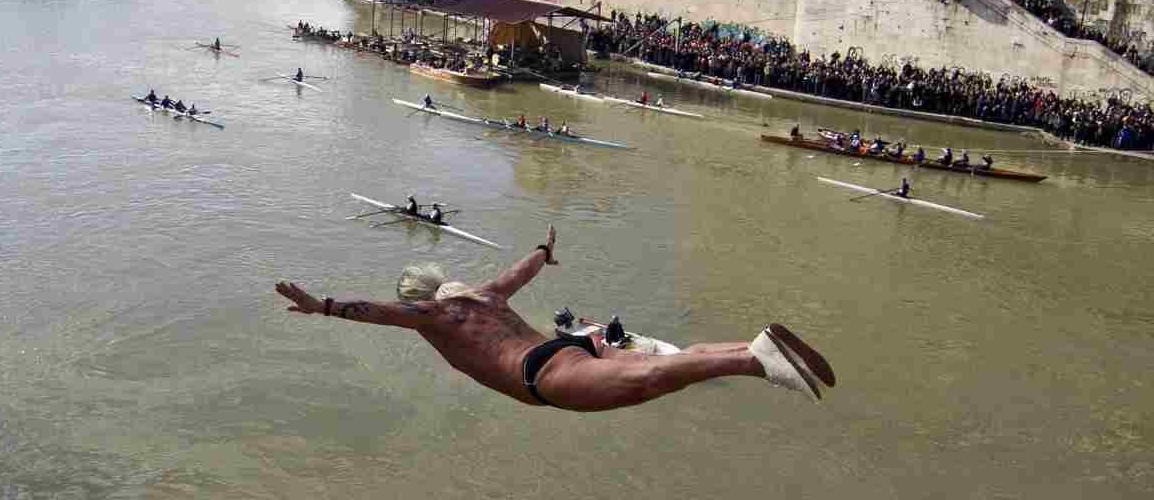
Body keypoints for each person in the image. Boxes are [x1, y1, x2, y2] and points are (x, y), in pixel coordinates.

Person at [273, 225, 836, 410]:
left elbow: (378, 313)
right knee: (669, 359)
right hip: (569, 348)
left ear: (421, 297)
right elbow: (521, 272)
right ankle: (752, 343)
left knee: (651, 379)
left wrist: (321, 306)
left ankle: (753, 361)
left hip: (543, 375)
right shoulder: (484, 297)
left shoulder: (437, 317)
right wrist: (544, 251)